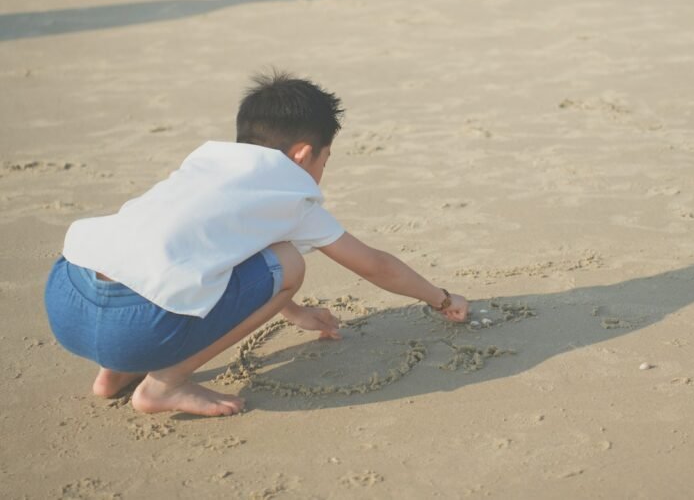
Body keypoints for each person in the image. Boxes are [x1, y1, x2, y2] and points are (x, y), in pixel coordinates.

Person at [44, 71, 468, 417]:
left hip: (66, 298)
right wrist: (440, 297)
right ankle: (163, 384)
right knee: (289, 263)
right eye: (325, 159)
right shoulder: (291, 195)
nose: (322, 169)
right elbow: (375, 266)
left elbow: (227, 251)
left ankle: (113, 374)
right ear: (303, 154)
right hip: (135, 326)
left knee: (152, 260)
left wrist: (296, 314)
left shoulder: (207, 161)